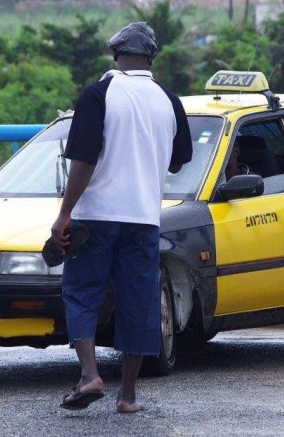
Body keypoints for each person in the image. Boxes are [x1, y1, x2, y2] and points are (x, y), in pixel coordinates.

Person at [48, 22, 192, 413]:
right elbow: (179, 161)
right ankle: (127, 396)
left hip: (95, 217)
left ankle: (90, 374)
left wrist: (64, 213)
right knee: (138, 301)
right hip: (144, 219)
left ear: (115, 54)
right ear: (151, 57)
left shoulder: (99, 94)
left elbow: (84, 160)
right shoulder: (169, 100)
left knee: (81, 293)